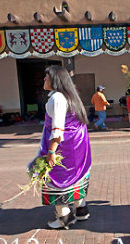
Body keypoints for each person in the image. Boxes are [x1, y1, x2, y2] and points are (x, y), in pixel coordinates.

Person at [33, 65, 92, 229]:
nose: (44, 80)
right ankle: (81, 209)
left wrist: (51, 151)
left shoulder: (57, 98)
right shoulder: (70, 96)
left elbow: (57, 127)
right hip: (77, 145)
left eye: (46, 77)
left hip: (63, 147)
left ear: (55, 79)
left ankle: (64, 217)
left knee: (59, 177)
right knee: (76, 174)